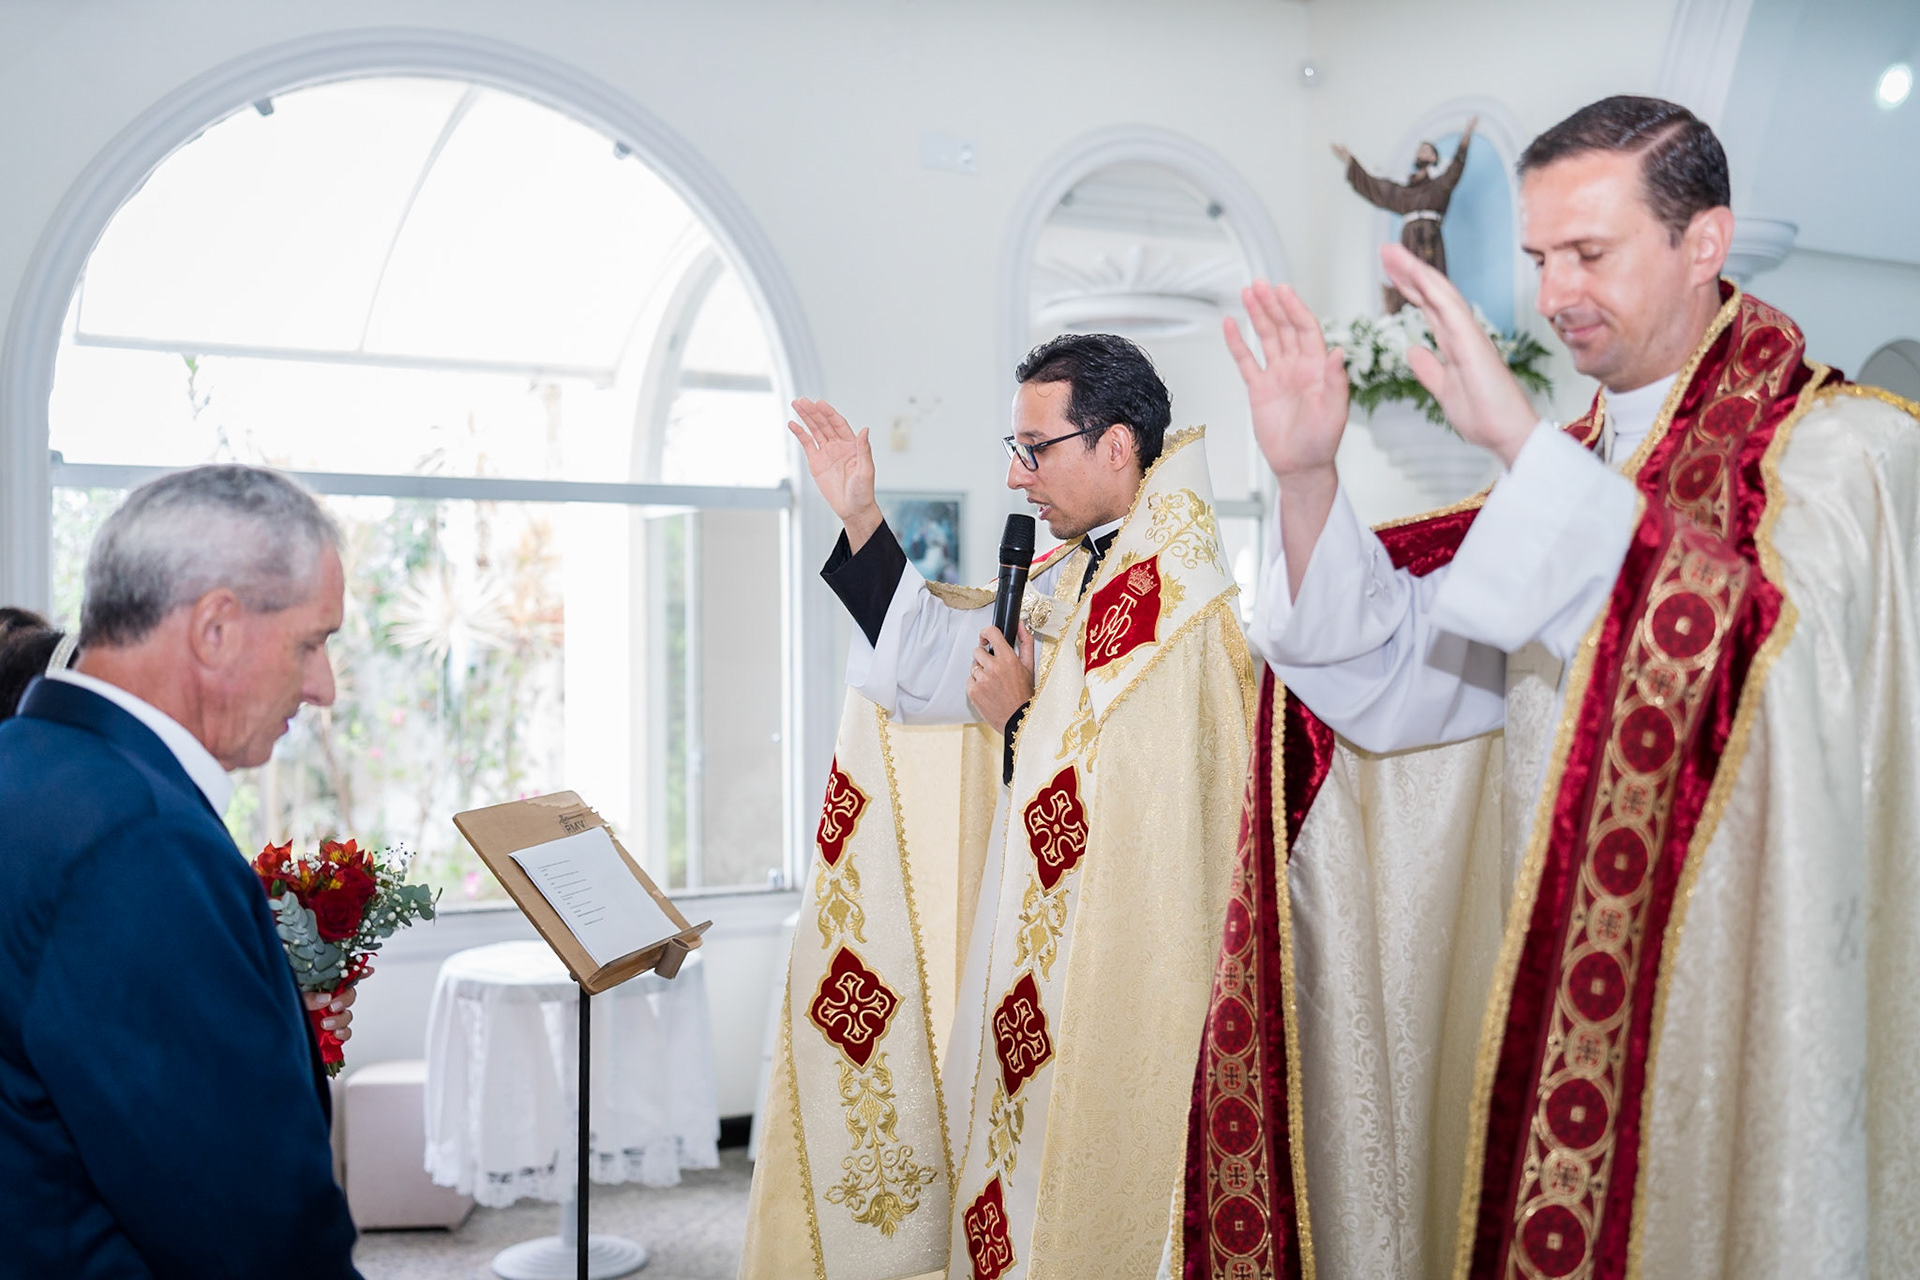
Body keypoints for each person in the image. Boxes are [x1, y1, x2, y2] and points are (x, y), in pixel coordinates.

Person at [1176, 97, 1920, 1278]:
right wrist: (1309, 478)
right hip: (1554, 1030)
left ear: (1705, 241)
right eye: (1536, 258)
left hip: (1735, 1025)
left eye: (1590, 252)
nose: (1556, 290)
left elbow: (1764, 671)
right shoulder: (1574, 466)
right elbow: (1392, 681)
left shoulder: (1852, 454)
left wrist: (1523, 449)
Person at [742, 334, 1257, 1279]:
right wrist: (860, 517)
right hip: (1033, 963)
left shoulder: (1179, 606)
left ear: (1115, 445)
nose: (1018, 478)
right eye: (1013, 450)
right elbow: (944, 662)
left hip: (1119, 974)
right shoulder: (1069, 574)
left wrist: (1020, 719)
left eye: (1034, 449)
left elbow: (1141, 808)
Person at [0, 465, 363, 1279]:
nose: (324, 688)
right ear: (216, 630)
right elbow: (251, 1232)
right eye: (312, 642)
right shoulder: (138, 844)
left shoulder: (23, 767)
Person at [1335, 116, 1478, 313]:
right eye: (1419, 150)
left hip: (1430, 241)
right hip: (1409, 240)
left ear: (1434, 158)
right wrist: (1350, 162)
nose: (1421, 152)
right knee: (1405, 283)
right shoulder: (1404, 192)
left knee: (1433, 284)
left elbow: (1455, 170)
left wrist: (1465, 139)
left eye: (1426, 150)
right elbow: (1377, 188)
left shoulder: (1439, 185)